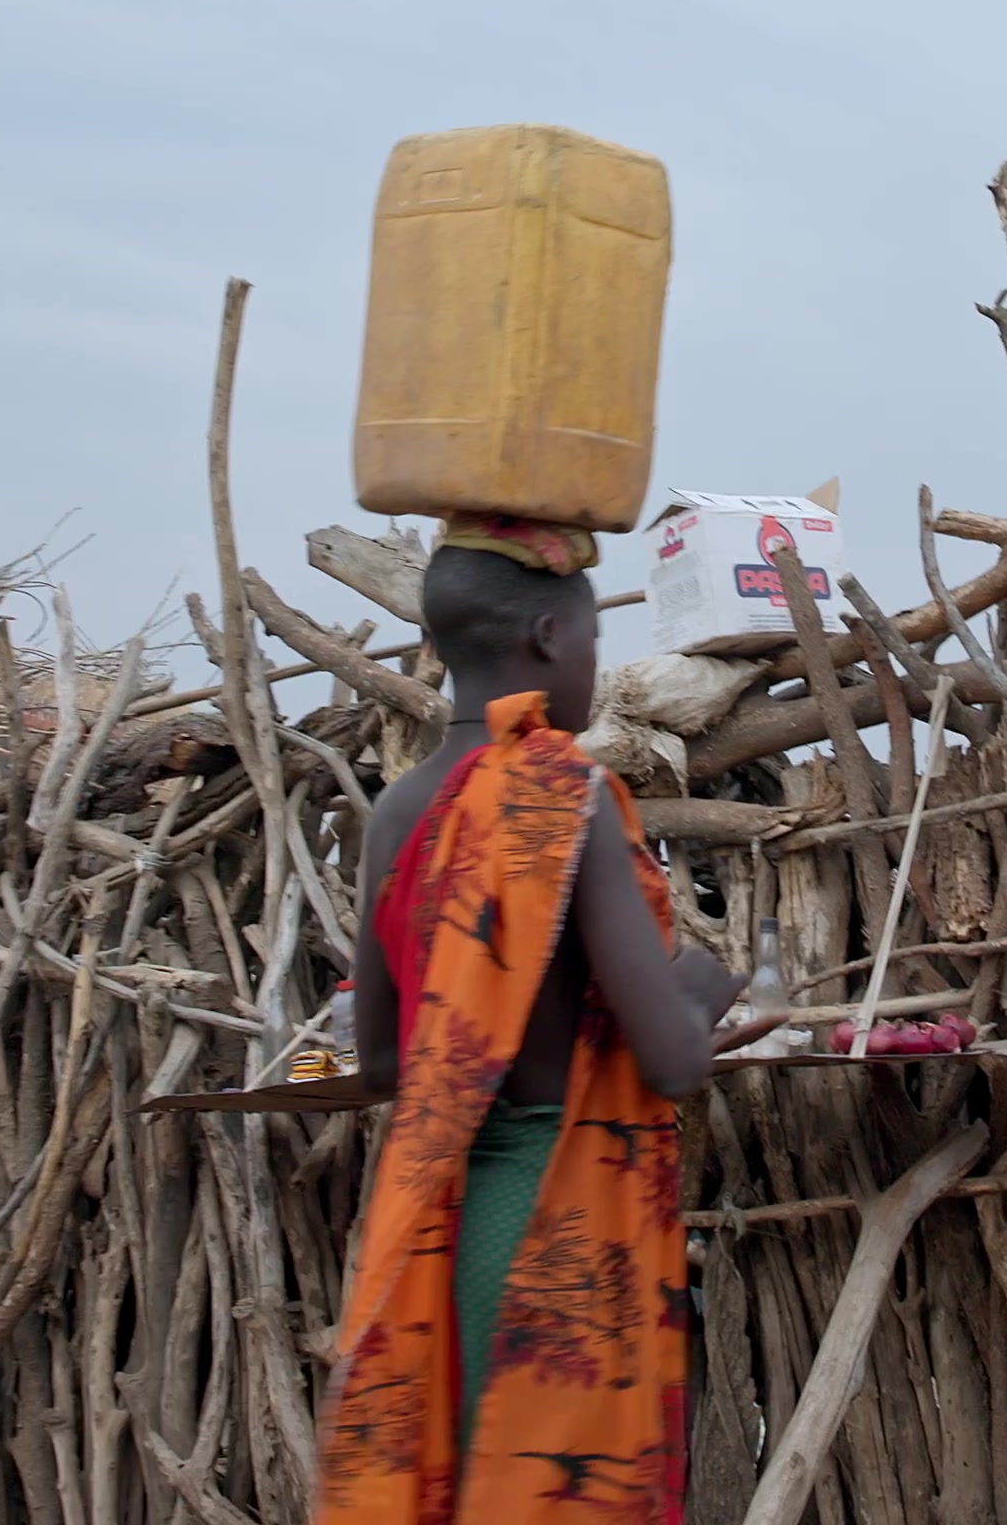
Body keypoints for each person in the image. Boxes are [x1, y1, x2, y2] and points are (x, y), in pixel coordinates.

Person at [317, 517, 760, 1525]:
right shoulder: (572, 799)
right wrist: (703, 981)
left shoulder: (398, 813)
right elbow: (675, 1063)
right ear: (553, 641)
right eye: (596, 641)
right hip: (553, 1227)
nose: (595, 665)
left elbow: (382, 1060)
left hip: (436, 1230)